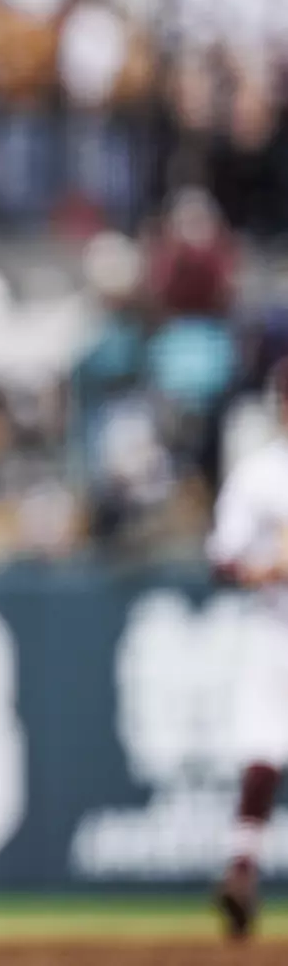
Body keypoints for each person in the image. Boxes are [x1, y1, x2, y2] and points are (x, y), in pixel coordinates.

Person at [209, 360, 288, 941]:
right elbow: (223, 558)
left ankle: (241, 869)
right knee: (262, 746)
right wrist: (262, 568)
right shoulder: (261, 474)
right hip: (277, 626)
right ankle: (240, 872)